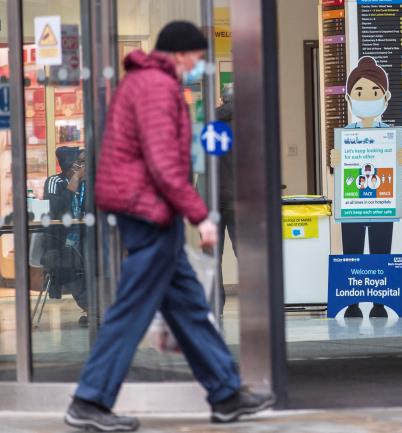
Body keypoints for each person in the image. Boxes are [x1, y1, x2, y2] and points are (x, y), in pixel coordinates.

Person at [64, 22, 273, 432]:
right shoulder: (156, 88)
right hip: (148, 213)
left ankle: (226, 394)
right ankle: (89, 399)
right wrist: (200, 215)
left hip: (148, 210)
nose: (200, 65)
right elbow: (164, 164)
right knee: (131, 309)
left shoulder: (146, 83)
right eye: (198, 56)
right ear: (182, 53)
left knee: (190, 307)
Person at [331, 56, 402, 319]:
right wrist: (335, 162)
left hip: (382, 206)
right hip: (352, 205)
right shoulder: (345, 135)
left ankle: (379, 303)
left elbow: (396, 170)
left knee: (380, 254)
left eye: (373, 92)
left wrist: (401, 160)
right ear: (349, 97)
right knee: (352, 253)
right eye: (360, 92)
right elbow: (338, 171)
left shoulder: (390, 135)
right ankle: (351, 304)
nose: (366, 98)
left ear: (385, 97)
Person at [43, 146, 88, 326]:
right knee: (71, 260)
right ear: (72, 166)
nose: (84, 167)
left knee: (97, 254)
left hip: (85, 236)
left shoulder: (88, 183)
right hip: (60, 240)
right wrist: (73, 185)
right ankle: (91, 307)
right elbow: (54, 210)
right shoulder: (54, 181)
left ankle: (98, 306)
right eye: (81, 163)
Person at [216, 83, 236, 316]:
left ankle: (216, 304)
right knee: (246, 251)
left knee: (213, 255)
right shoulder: (253, 124)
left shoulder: (212, 123)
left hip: (214, 199)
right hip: (242, 199)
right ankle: (257, 300)